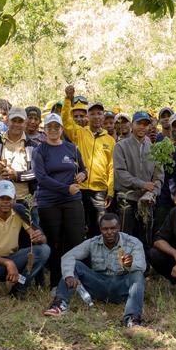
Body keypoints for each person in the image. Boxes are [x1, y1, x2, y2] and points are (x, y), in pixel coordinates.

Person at [43, 213, 147, 328]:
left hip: (121, 286)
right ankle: (59, 305)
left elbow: (142, 266)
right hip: (98, 284)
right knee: (74, 265)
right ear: (100, 229)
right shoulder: (93, 242)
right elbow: (68, 256)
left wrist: (131, 264)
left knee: (137, 274)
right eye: (105, 229)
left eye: (113, 228)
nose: (109, 232)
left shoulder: (133, 242)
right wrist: (68, 276)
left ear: (119, 228)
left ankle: (132, 318)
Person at [0, 181, 50, 298]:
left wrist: (40, 238)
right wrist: (8, 263)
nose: (6, 202)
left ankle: (19, 288)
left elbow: (41, 240)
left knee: (44, 250)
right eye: (2, 198)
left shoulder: (20, 211)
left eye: (9, 198)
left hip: (15, 259)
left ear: (15, 199)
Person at [34, 113, 87, 285]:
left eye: (56, 127)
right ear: (44, 130)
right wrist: (65, 188)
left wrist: (82, 175)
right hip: (49, 202)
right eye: (49, 127)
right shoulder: (39, 150)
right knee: (54, 243)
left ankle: (74, 279)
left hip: (72, 200)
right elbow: (41, 178)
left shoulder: (72, 148)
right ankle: (56, 283)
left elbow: (83, 169)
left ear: (62, 129)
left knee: (75, 240)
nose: (53, 130)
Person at [61, 86, 115, 237]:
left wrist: (110, 190)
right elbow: (66, 120)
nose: (96, 117)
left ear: (103, 116)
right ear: (88, 117)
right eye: (92, 114)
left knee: (99, 227)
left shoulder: (110, 140)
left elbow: (112, 167)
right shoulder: (79, 133)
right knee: (80, 226)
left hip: (100, 190)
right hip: (81, 188)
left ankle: (97, 251)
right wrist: (68, 99)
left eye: (99, 113)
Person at [113, 111, 161, 247]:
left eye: (145, 124)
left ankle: (144, 261)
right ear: (132, 125)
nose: (142, 127)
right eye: (139, 123)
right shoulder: (120, 146)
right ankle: (123, 261)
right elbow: (120, 173)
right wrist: (142, 184)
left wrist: (152, 193)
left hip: (146, 200)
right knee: (125, 239)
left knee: (145, 239)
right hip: (127, 199)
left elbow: (159, 175)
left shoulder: (153, 148)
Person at [0, 106, 38, 213]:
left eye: (20, 121)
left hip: (24, 199)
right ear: (7, 121)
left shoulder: (32, 146)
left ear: (25, 123)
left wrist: (17, 175)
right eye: (14, 120)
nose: (16, 124)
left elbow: (37, 172)